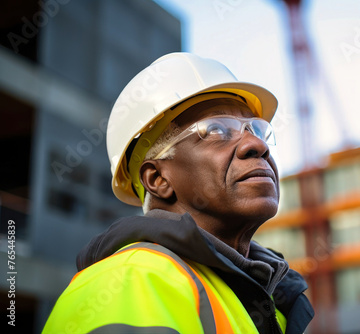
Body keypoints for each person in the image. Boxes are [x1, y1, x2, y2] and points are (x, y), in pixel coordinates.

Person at [43, 52, 314, 334]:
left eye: (256, 129)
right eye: (217, 130)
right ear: (158, 178)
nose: (257, 144)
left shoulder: (266, 299)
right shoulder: (131, 281)